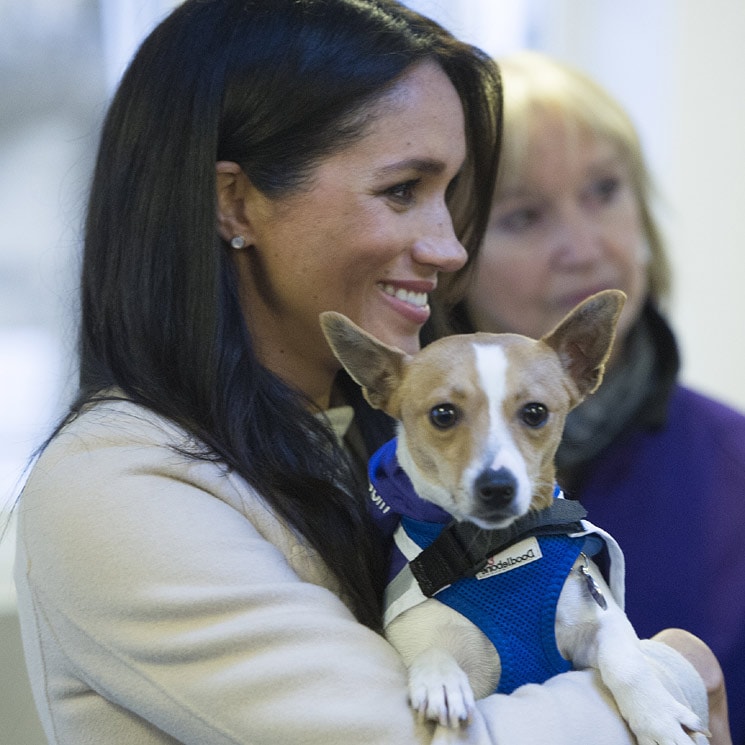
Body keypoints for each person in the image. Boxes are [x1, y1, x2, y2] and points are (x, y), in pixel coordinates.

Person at [11, 3, 720, 742]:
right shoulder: (118, 485)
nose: (448, 248)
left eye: (450, 197)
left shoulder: (366, 441)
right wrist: (673, 672)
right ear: (235, 202)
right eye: (402, 190)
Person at [442, 50, 743, 744]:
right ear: (446, 252)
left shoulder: (734, 466)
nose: (583, 246)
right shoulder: (382, 470)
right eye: (522, 216)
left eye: (604, 190)